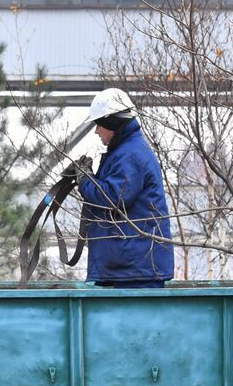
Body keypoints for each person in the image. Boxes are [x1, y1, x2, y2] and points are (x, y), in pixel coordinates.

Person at [71, 88, 173, 288]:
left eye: (99, 125)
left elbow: (111, 199)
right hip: (130, 268)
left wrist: (85, 180)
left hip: (134, 271)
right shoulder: (126, 151)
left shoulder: (129, 155)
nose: (96, 131)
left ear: (112, 123)